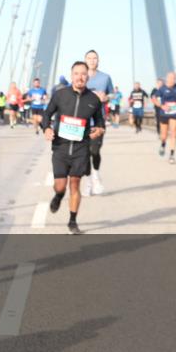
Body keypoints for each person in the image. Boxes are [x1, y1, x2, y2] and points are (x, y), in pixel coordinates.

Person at [40, 61, 106, 234]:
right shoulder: (60, 95)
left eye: (83, 74)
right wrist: (46, 128)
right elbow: (47, 115)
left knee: (75, 184)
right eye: (76, 74)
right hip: (60, 147)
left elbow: (100, 122)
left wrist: (99, 130)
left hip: (80, 148)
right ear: (72, 76)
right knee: (60, 186)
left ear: (87, 76)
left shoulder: (93, 100)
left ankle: (72, 222)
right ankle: (58, 196)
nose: (80, 77)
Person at [84, 50, 113, 195]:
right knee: (84, 154)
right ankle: (88, 182)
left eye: (94, 58)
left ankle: (95, 175)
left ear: (98, 60)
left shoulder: (105, 77)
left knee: (94, 151)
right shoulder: (81, 77)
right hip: (82, 121)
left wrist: (106, 97)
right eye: (89, 58)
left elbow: (113, 94)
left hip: (98, 120)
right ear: (85, 60)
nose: (92, 60)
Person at [155, 71, 176, 164]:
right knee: (164, 135)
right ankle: (163, 144)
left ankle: (172, 155)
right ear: (167, 79)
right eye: (170, 78)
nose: (172, 80)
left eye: (174, 78)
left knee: (173, 132)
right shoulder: (162, 88)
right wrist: (161, 106)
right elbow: (154, 98)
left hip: (174, 112)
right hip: (164, 113)